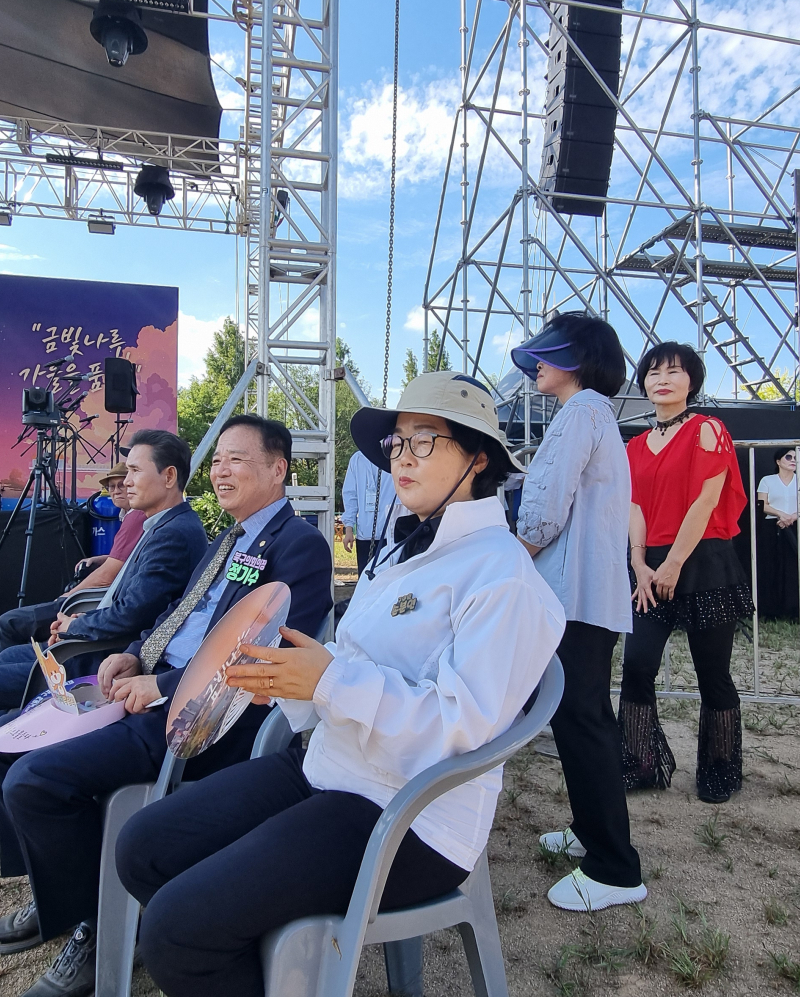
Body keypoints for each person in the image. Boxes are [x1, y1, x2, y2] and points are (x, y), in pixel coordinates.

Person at [113, 372, 564, 997]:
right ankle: (266, 960)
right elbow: (347, 667)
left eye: (424, 440)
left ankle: (232, 952)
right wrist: (295, 684)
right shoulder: (400, 552)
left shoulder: (502, 577)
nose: (402, 458)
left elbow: (463, 729)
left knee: (176, 930)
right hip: (327, 765)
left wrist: (328, 683)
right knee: (143, 846)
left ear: (479, 457)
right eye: (397, 444)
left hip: (405, 814)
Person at [0, 415, 333, 997]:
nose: (220, 470)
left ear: (278, 469)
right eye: (217, 460)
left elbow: (260, 657)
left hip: (201, 718)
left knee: (33, 781)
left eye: (237, 459)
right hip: (150, 686)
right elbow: (181, 615)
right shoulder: (227, 538)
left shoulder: (301, 547)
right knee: (3, 740)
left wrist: (162, 686)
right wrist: (135, 656)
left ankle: (96, 927)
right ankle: (59, 896)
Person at [0, 430, 206, 859]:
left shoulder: (174, 532)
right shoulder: (159, 524)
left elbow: (134, 615)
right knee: (9, 654)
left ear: (169, 476)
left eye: (134, 470)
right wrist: (75, 622)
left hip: (97, 663)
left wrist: (75, 627)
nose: (125, 480)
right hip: (96, 648)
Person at [508, 313, 645, 913]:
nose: (536, 363)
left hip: (576, 596)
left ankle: (616, 868)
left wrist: (512, 561)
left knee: (584, 719)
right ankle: (592, 834)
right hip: (584, 594)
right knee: (577, 717)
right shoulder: (593, 413)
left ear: (576, 357)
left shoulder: (581, 413)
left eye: (546, 353)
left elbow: (544, 507)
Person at [620, 342, 752, 805]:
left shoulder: (707, 429)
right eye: (653, 372)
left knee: (712, 672)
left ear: (691, 381)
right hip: (650, 562)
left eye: (674, 371)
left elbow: (706, 501)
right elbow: (635, 506)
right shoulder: (634, 444)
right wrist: (639, 562)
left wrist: (674, 563)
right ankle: (639, 760)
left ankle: (720, 768)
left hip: (704, 562)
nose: (662, 379)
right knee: (636, 664)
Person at [0, 462, 145, 661]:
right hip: (104, 610)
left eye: (121, 485)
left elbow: (109, 575)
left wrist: (67, 596)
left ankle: (8, 682)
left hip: (98, 609)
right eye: (111, 486)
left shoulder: (136, 516)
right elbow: (127, 558)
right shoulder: (133, 516)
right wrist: (102, 558)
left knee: (8, 623)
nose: (115, 491)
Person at [755, 447, 800, 622]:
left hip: (798, 525)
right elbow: (763, 503)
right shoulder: (767, 480)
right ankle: (771, 610)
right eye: (789, 457)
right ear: (778, 461)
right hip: (773, 525)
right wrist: (780, 514)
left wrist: (793, 516)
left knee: (798, 566)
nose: (793, 460)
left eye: (796, 457)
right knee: (771, 566)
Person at [340, 448, 397, 570]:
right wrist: (349, 529)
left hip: (391, 534)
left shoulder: (394, 456)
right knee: (365, 580)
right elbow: (350, 495)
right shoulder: (357, 459)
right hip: (365, 534)